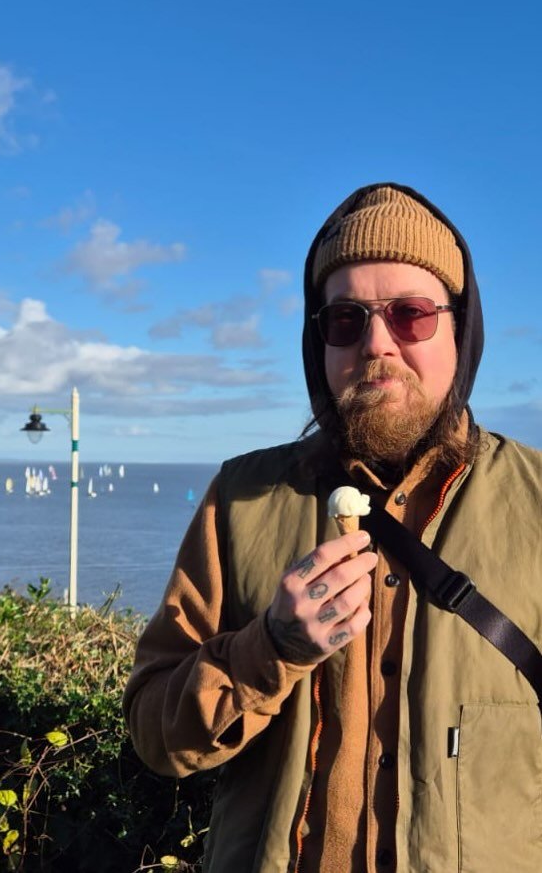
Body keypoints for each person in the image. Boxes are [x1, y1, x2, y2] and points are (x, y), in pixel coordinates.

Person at [123, 183, 542, 873]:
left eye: (411, 315)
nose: (377, 343)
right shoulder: (243, 497)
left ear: (461, 329)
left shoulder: (532, 502)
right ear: (319, 341)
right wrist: (270, 648)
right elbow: (155, 735)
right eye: (346, 320)